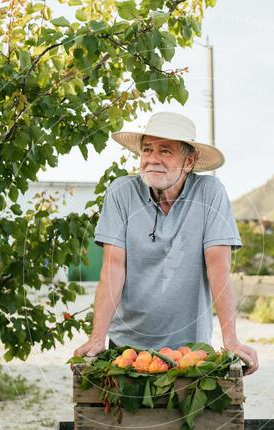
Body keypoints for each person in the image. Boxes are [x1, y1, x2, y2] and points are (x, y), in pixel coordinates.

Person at [72, 112, 258, 375]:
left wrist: (231, 340)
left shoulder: (209, 192)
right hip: (126, 348)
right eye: (147, 149)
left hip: (191, 350)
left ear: (189, 161)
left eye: (165, 150)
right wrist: (97, 337)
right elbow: (113, 268)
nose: (153, 159)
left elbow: (218, 267)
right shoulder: (121, 192)